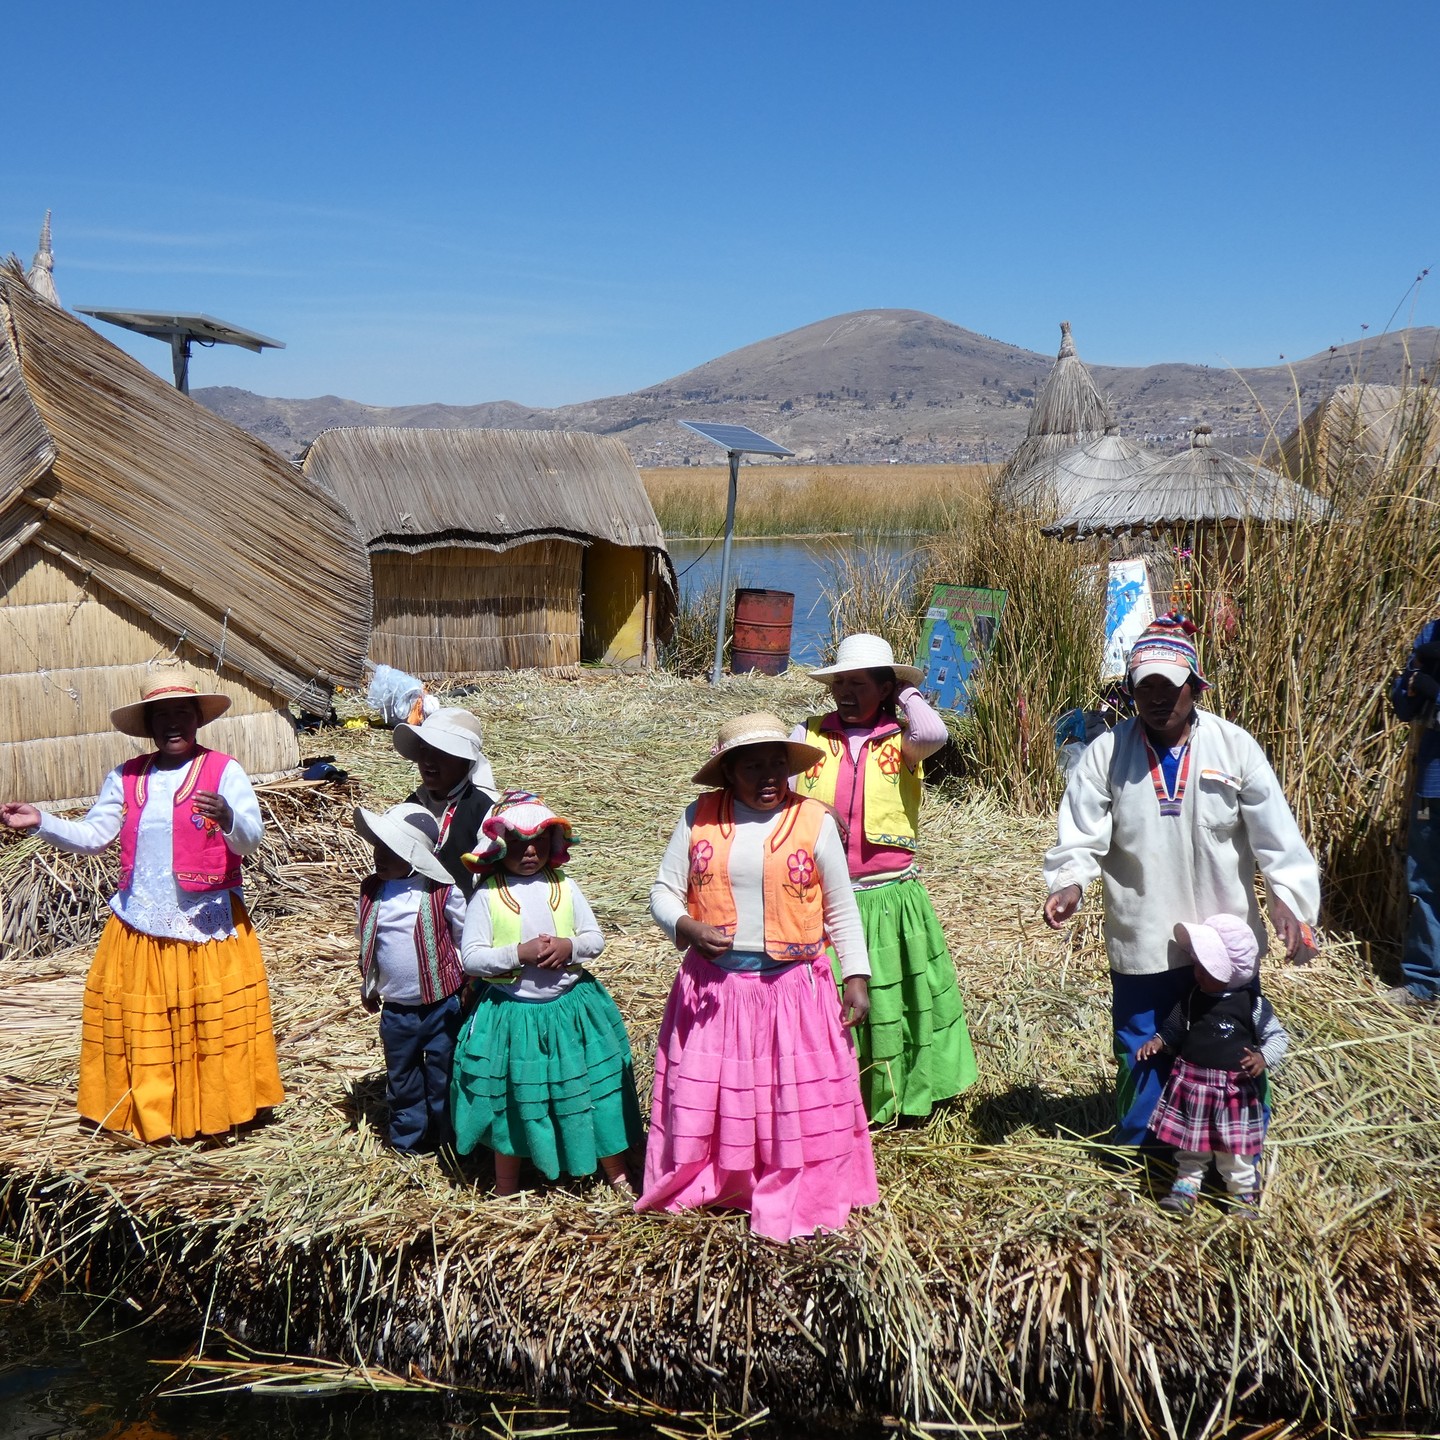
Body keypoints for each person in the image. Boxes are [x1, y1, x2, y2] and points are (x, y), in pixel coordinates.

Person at [1042, 613, 1319, 1150]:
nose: (1157, 698)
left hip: (1223, 944)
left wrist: (1287, 900)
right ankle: (1146, 1152)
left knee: (1228, 1047)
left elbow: (1276, 837)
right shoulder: (1106, 753)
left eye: (1169, 686)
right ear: (1131, 691)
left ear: (1195, 686)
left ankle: (1232, 1151)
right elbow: (1080, 833)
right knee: (1143, 1046)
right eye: (1145, 686)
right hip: (1144, 935)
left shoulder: (1233, 747)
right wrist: (1070, 881)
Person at [0, 664, 283, 1142]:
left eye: (182, 713)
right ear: (149, 726)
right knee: (149, 1023)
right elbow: (95, 836)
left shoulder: (223, 771)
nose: (173, 723)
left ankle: (215, 1111)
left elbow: (249, 841)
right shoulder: (127, 777)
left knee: (207, 1022)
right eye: (161, 715)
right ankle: (154, 1115)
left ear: (197, 719)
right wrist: (41, 820)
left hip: (204, 923)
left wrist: (230, 815)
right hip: (140, 922)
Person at [638, 713, 878, 1242]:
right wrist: (685, 925)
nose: (770, 776)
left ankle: (800, 1189)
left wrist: (855, 976)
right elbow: (663, 890)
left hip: (793, 990)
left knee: (789, 1097)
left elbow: (840, 908)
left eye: (778, 765)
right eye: (754, 767)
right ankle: (722, 1184)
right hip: (715, 991)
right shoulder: (698, 818)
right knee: (722, 1094)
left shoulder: (812, 821)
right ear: (728, 772)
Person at [791, 632, 977, 1125]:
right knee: (830, 1000)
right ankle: (836, 1096)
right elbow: (779, 794)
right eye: (839, 683)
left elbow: (935, 734)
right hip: (825, 894)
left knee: (897, 995)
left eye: (859, 683)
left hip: (889, 894)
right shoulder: (807, 736)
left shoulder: (902, 741)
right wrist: (814, 808)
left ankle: (901, 1093)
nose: (846, 693)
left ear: (885, 687)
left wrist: (908, 693)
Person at [450, 792, 642, 1196]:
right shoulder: (487, 895)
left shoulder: (565, 886)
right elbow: (471, 958)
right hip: (513, 1015)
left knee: (589, 1087)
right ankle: (506, 1186)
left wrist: (568, 947)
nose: (530, 851)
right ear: (498, 847)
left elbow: (594, 938)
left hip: (571, 1009)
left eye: (539, 841)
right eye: (518, 843)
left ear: (553, 844)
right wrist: (517, 954)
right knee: (514, 1097)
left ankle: (616, 1171)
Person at [1137, 913, 1289, 1218]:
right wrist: (1159, 1041)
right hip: (1193, 1084)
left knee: (1236, 1152)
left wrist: (1263, 1058)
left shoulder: (1252, 1004)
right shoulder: (1193, 998)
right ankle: (1186, 1187)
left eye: (1207, 967)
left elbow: (1277, 1037)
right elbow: (1175, 1029)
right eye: (1197, 965)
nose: (1197, 972)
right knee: (1191, 1144)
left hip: (1233, 1091)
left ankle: (1242, 1194)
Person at [353, 802, 468, 1153]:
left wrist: (468, 985)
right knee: (401, 1077)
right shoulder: (372, 890)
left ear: (413, 855)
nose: (379, 855)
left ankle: (449, 1142)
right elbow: (368, 940)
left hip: (441, 1005)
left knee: (443, 1074)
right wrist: (369, 984)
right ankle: (409, 1142)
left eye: (390, 849)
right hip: (396, 1007)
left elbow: (464, 940)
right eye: (378, 846)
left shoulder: (443, 892)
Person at [1387, 616, 1440, 1006]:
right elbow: (1403, 704)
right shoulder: (1432, 633)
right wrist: (1413, 685)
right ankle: (1423, 982)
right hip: (1432, 784)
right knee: (1426, 884)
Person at [394, 708, 499, 897]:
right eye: (424, 750)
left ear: (465, 760)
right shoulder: (413, 805)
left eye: (441, 752)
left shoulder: (486, 810)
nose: (428, 761)